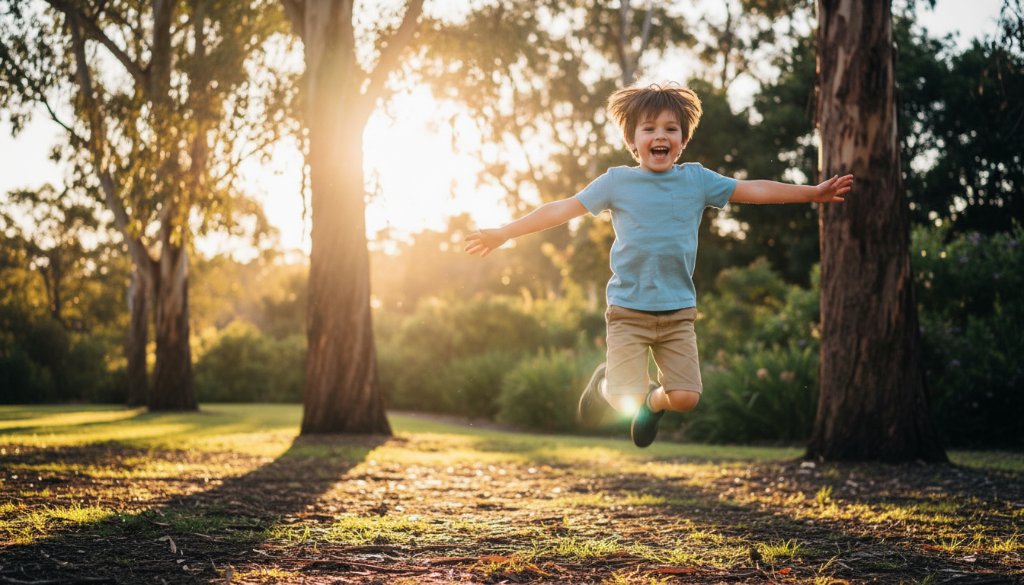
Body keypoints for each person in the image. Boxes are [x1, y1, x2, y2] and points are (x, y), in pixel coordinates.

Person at [465, 82, 852, 448]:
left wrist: (812, 193)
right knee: (622, 399)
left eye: (671, 128)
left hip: (677, 313)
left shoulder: (697, 180)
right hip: (628, 311)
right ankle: (604, 384)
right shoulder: (615, 182)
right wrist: (505, 232)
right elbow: (561, 209)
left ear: (683, 140)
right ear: (633, 142)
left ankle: (653, 404)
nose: (660, 136)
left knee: (685, 398)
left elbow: (752, 188)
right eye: (648, 129)